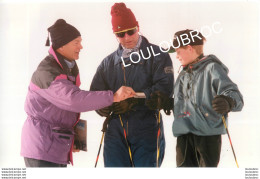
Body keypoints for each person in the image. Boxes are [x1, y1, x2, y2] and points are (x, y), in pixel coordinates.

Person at [21, 19, 135, 167]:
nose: (81, 46)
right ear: (62, 45)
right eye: (76, 42)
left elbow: (62, 109)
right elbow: (73, 100)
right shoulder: (48, 71)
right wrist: (113, 97)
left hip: (53, 147)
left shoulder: (66, 67)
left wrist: (71, 137)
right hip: (42, 148)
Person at [90, 3, 174, 167]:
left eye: (131, 31)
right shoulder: (107, 63)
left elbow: (165, 88)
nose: (127, 37)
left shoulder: (158, 55)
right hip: (115, 132)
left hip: (146, 128)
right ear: (115, 34)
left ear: (138, 27)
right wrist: (102, 107)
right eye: (121, 34)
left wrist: (136, 100)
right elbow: (95, 94)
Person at [149, 29, 244, 167]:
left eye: (178, 51)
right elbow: (185, 103)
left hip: (207, 136)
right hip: (184, 137)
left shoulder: (212, 68)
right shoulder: (183, 74)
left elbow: (235, 95)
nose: (176, 56)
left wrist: (228, 101)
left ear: (189, 48)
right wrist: (168, 103)